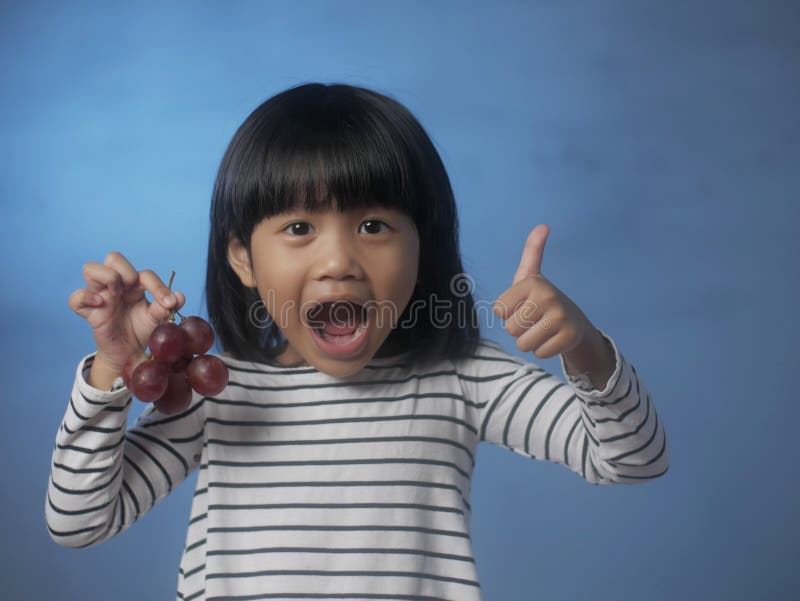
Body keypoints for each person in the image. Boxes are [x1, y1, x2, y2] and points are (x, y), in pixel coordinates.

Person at [46, 82, 669, 601]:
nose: (339, 259)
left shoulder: (462, 378)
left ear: (421, 246)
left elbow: (632, 460)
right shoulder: (217, 390)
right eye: (298, 227)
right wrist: (111, 373)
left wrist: (582, 345)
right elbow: (79, 522)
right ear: (242, 259)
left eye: (373, 225)